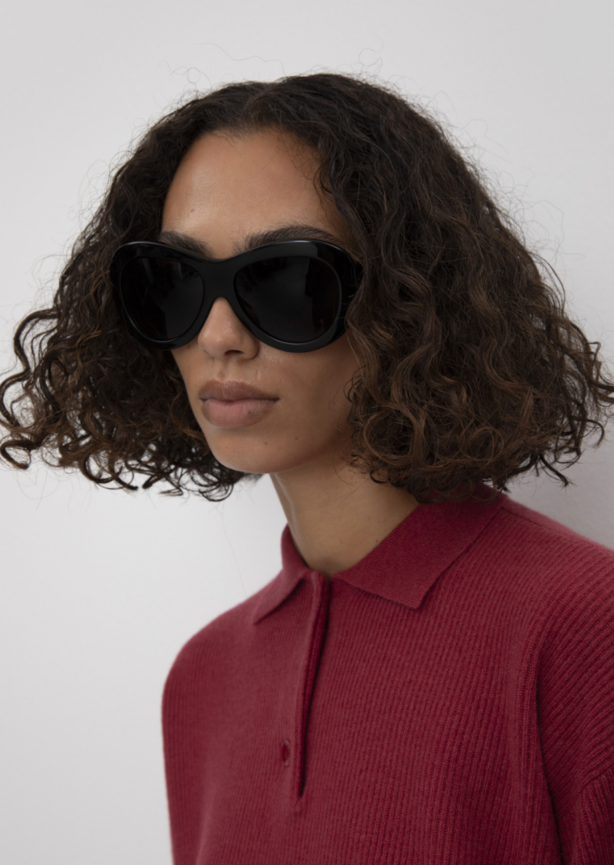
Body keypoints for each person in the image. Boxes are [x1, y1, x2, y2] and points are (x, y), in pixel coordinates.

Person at [1, 72, 614, 864]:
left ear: (408, 298)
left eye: (285, 279)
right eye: (176, 281)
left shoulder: (583, 627)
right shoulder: (203, 680)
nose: (219, 335)